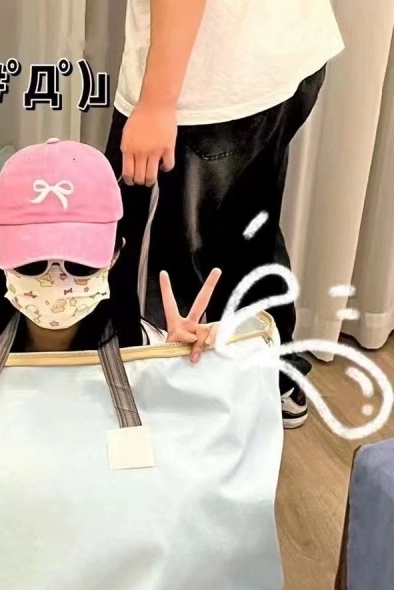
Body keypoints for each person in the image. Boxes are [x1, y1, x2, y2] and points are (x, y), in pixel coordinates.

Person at [105, 0, 344, 428]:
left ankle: (175, 416)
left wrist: (157, 104)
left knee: (161, 273)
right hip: (280, 48)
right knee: (248, 234)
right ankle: (273, 377)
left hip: (207, 87)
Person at [0, 138, 221, 361]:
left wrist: (177, 373)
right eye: (32, 264)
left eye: (80, 265)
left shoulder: (148, 351)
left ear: (115, 255)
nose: (55, 281)